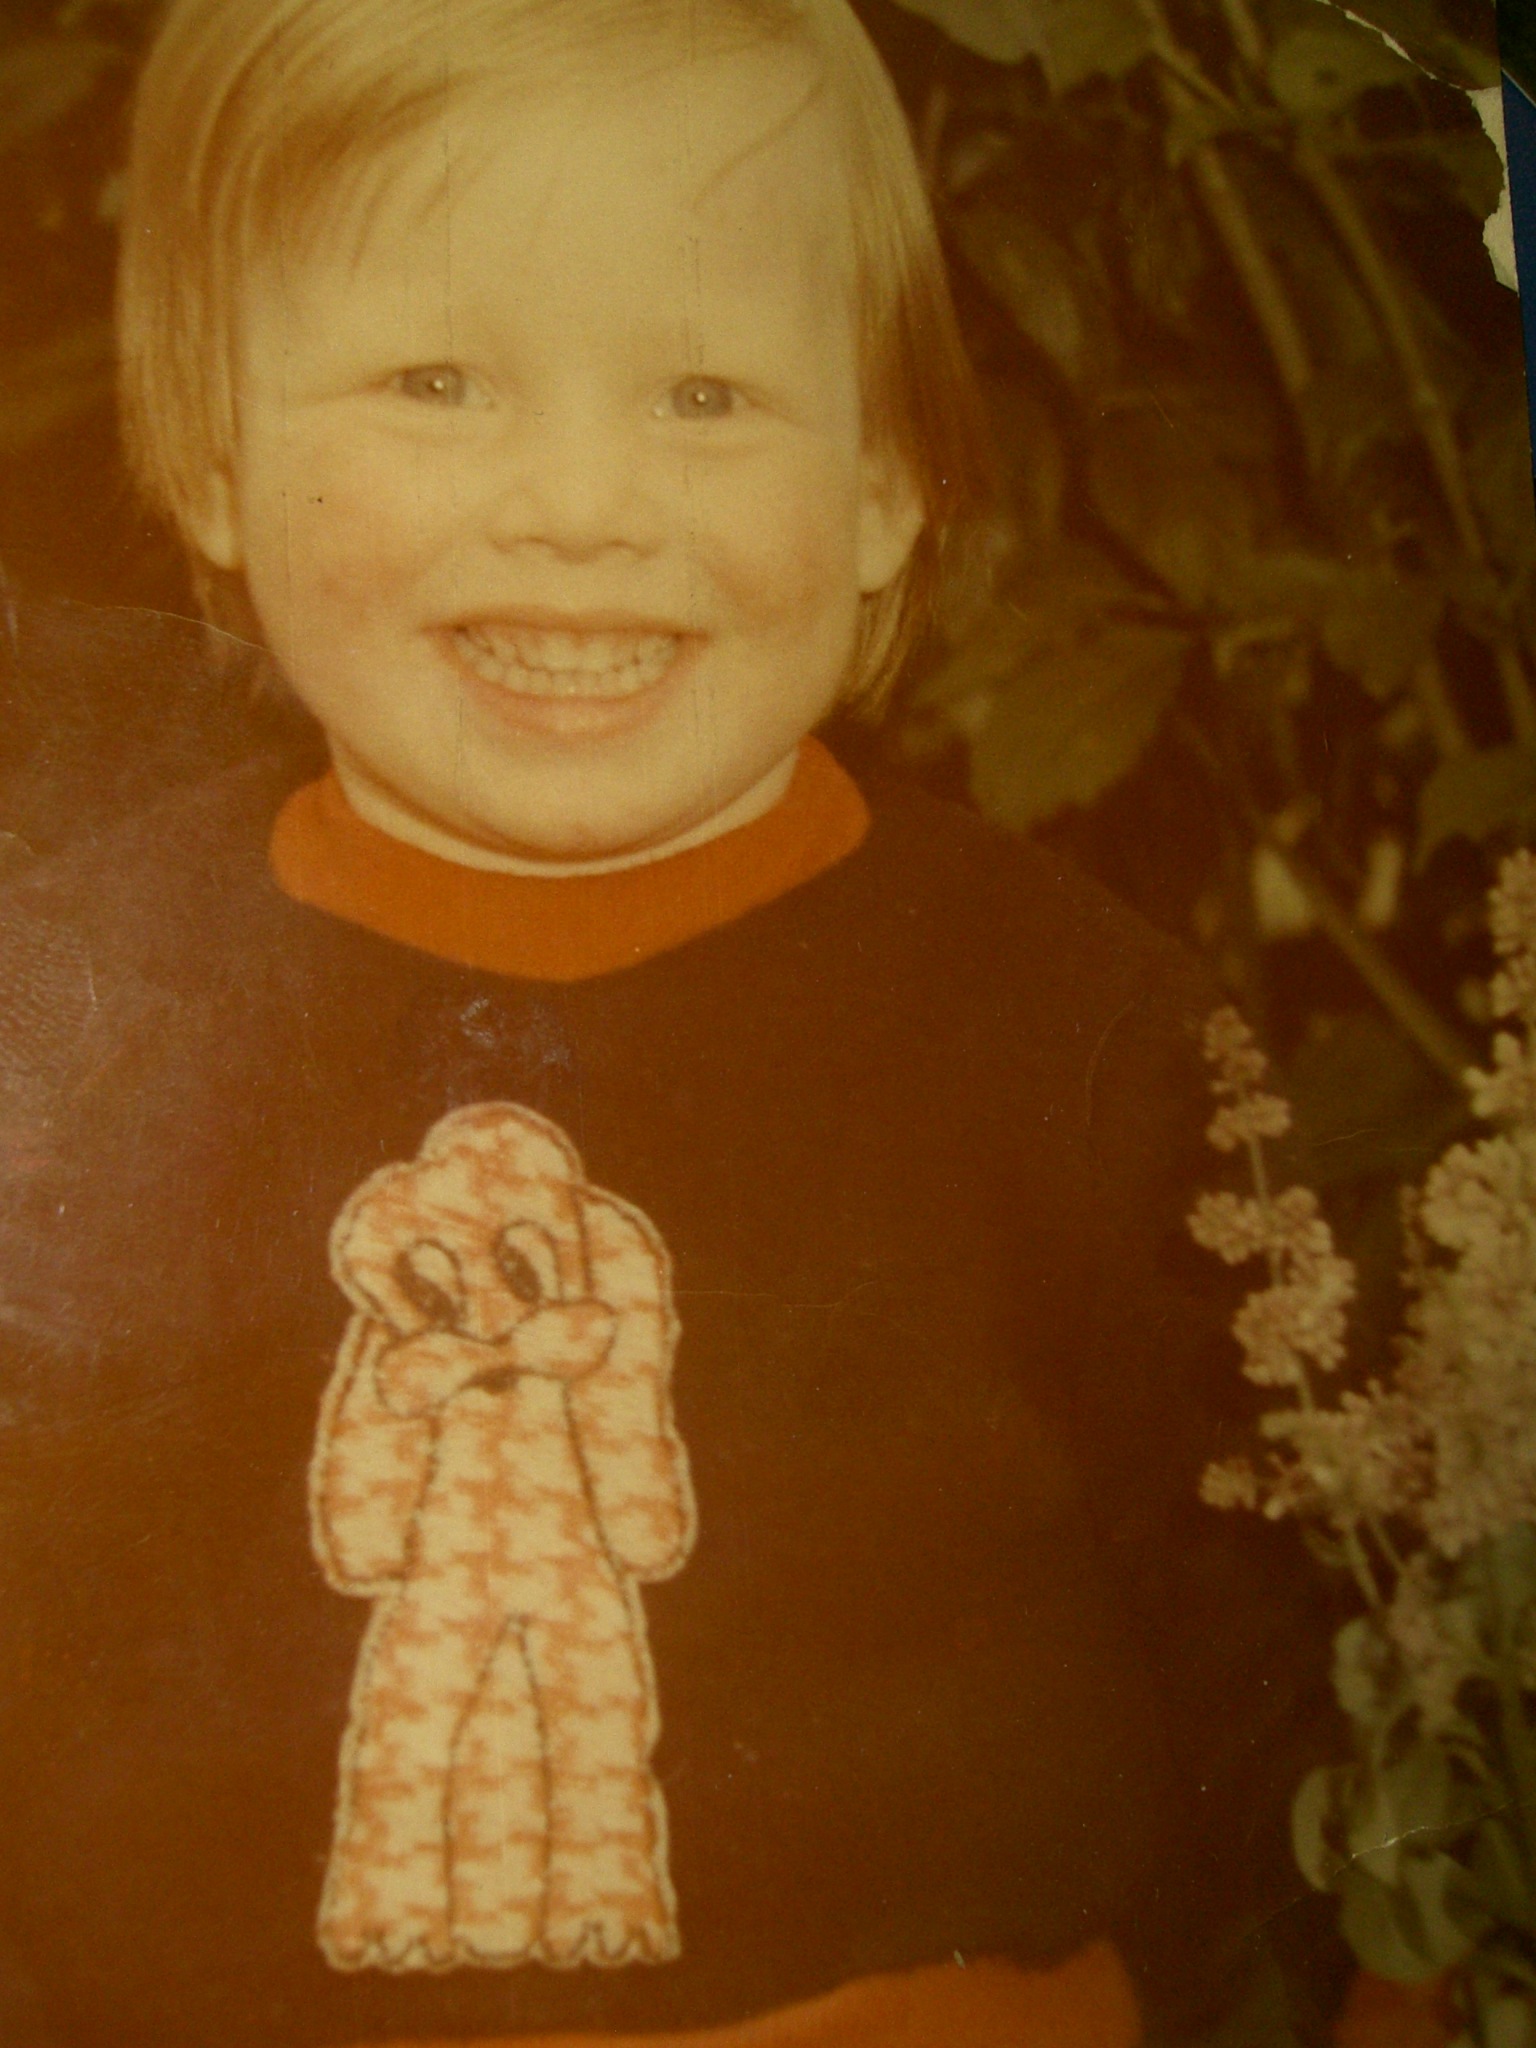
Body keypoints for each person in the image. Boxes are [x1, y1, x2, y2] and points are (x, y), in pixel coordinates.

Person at [0, 1, 1329, 2042]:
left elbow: (1300, 1698)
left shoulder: (1081, 1033)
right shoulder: (67, 1024)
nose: (582, 501)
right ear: (213, 456)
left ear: (884, 485)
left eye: (705, 393)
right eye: (439, 379)